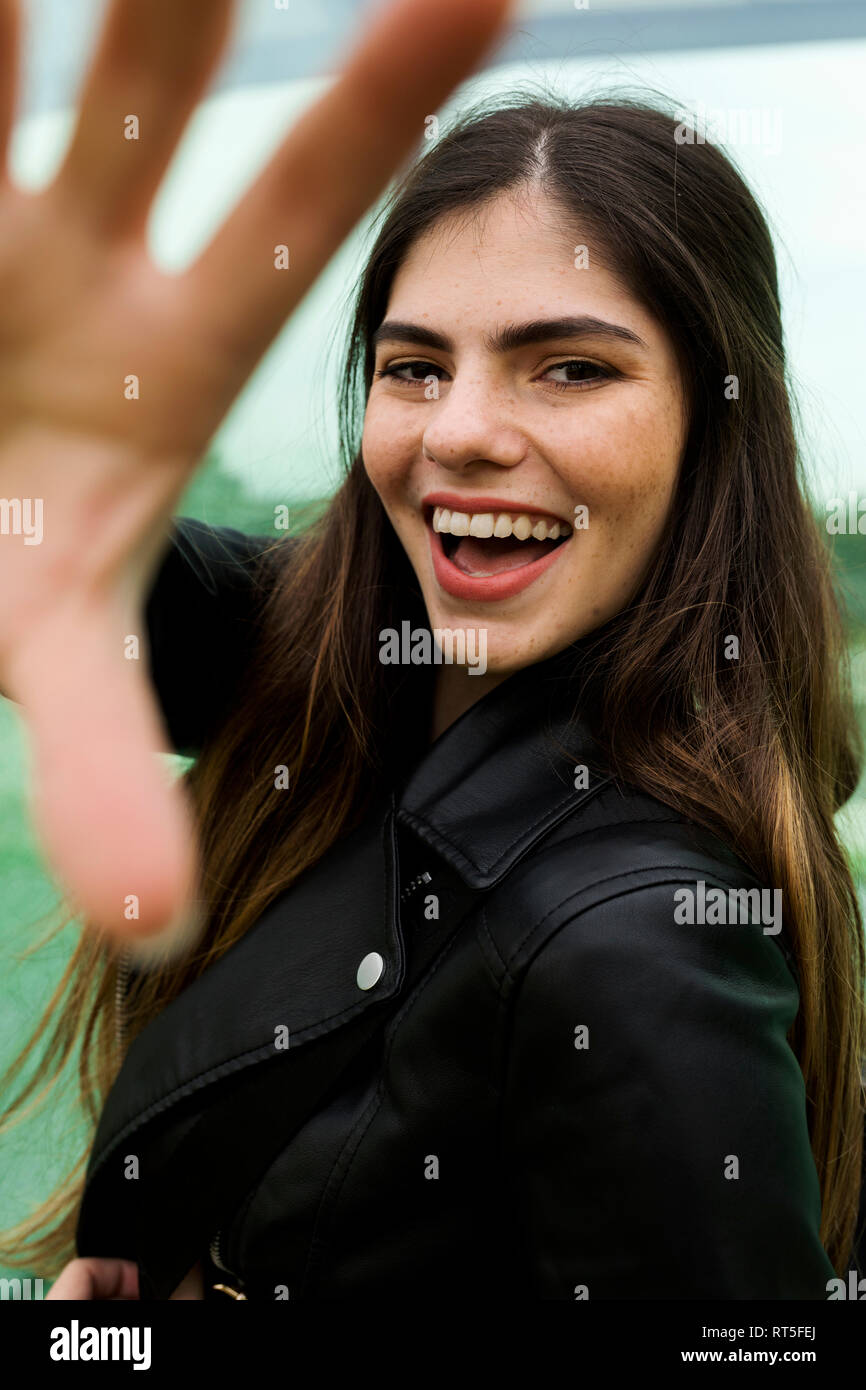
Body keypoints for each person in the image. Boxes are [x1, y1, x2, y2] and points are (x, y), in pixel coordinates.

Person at [0, 0, 863, 1300]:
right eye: (412, 368)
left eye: (567, 369)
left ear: (713, 426)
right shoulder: (359, 656)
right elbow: (64, 575)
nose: (457, 431)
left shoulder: (633, 950)